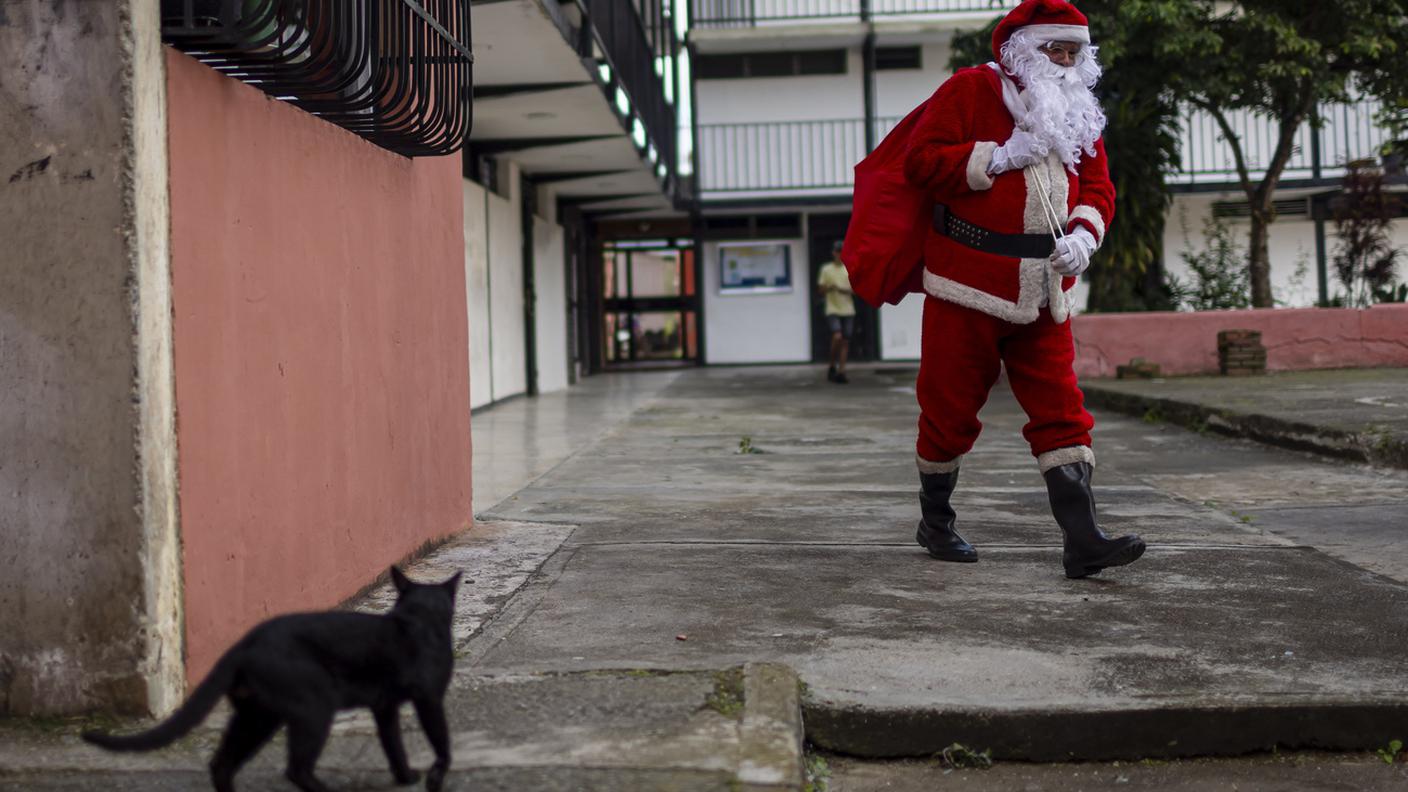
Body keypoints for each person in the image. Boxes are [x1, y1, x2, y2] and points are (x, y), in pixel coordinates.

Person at [902, 0, 1145, 578]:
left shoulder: (1079, 109)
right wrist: (999, 156)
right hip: (967, 284)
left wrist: (1085, 233)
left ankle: (1083, 541)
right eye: (1053, 50)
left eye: (1073, 52)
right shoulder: (969, 91)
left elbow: (1099, 185)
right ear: (1021, 50)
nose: (1064, 62)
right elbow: (920, 163)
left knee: (1063, 411)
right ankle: (935, 520)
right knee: (949, 412)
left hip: (1045, 289)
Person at [817, 240, 856, 384]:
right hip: (832, 308)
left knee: (845, 341)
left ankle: (842, 371)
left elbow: (855, 290)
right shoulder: (826, 269)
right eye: (837, 251)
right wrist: (829, 287)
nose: (839, 254)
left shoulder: (849, 268)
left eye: (842, 252)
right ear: (833, 253)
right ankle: (832, 364)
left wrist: (841, 289)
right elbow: (820, 290)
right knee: (837, 336)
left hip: (848, 309)